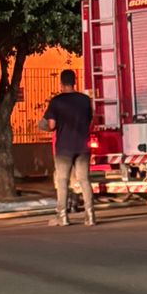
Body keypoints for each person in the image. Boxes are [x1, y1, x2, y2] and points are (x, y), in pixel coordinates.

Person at [39, 67, 95, 227]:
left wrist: (44, 126)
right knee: (84, 180)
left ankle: (62, 216)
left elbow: (51, 125)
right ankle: (90, 215)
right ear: (74, 82)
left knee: (62, 181)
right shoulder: (85, 100)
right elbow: (92, 119)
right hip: (83, 146)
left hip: (64, 147)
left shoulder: (57, 101)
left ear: (61, 83)